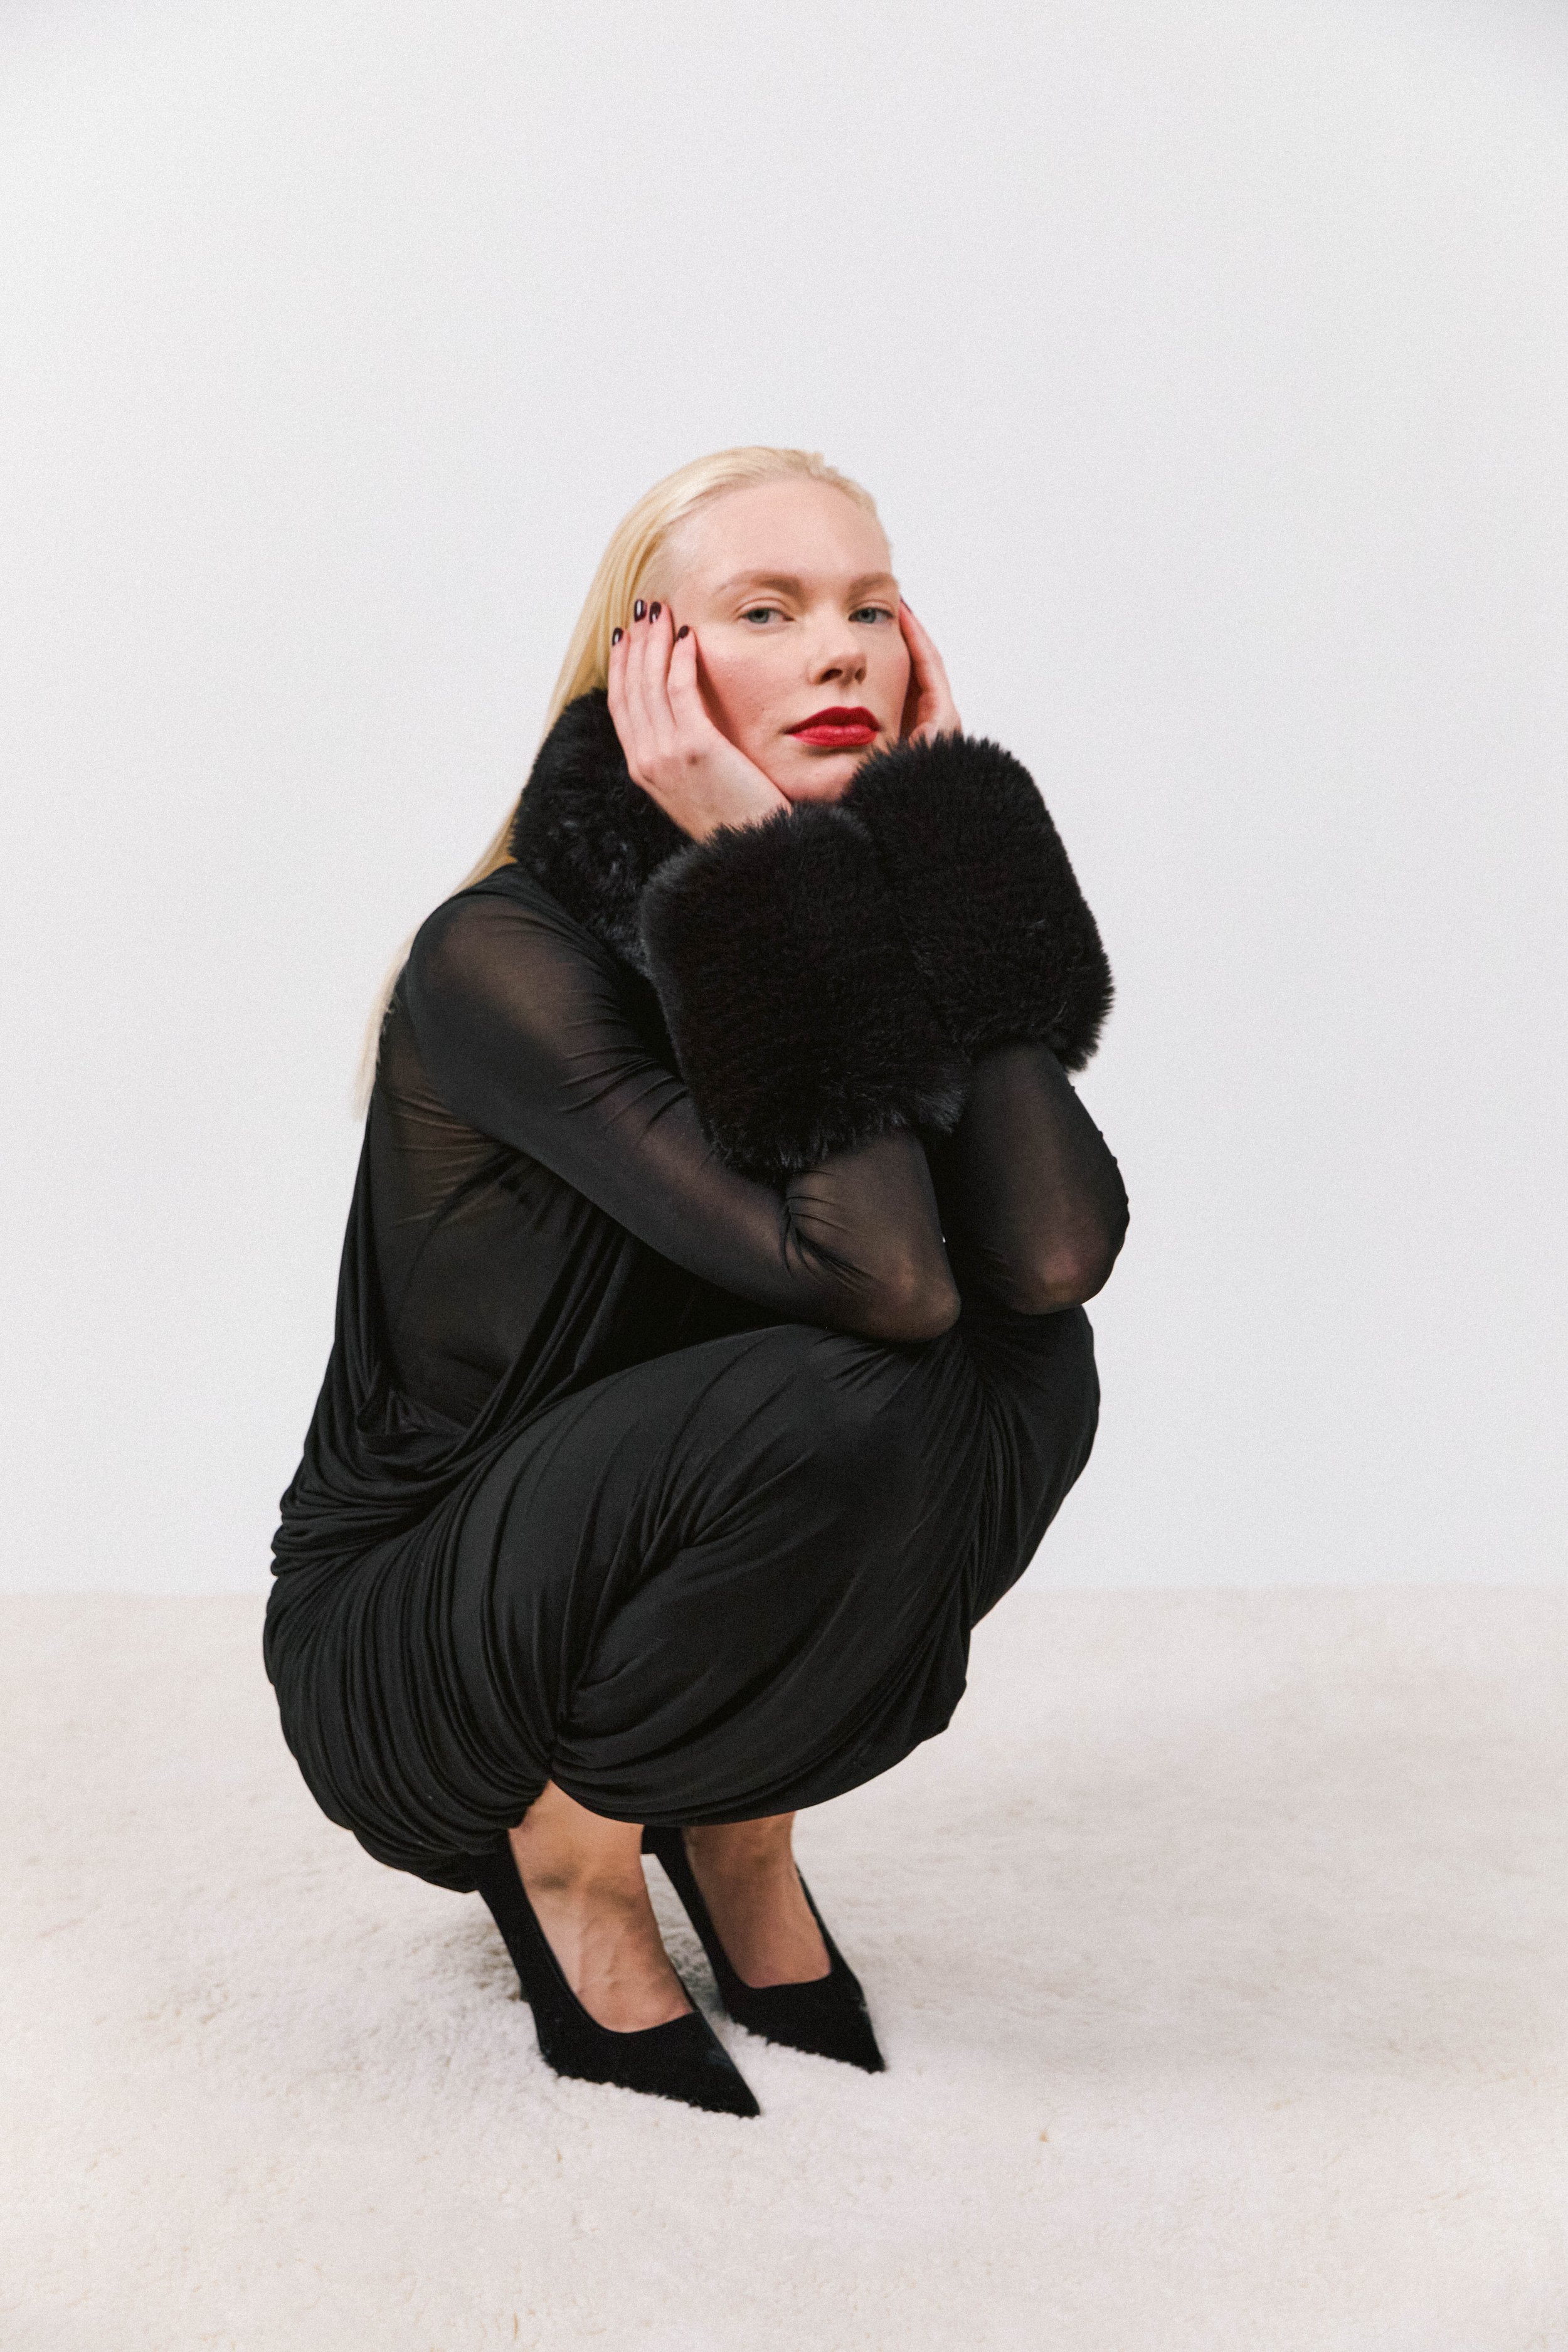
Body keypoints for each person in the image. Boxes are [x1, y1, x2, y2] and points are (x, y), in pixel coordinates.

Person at [264, 446, 1128, 2117]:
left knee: (1035, 1360)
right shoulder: (501, 958)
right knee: (866, 1371)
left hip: (662, 1525)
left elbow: (1046, 1253)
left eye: (870, 610)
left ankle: (737, 1816)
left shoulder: (858, 914)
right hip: (425, 1637)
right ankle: (572, 1849)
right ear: (645, 666)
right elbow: (877, 1282)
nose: (839, 653)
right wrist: (779, 875)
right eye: (768, 609)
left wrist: (941, 860)